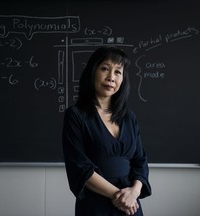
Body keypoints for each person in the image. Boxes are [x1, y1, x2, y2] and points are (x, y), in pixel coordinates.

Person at [62, 46, 151, 216]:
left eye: (118, 72)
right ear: (92, 72)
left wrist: (133, 193)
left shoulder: (129, 118)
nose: (111, 77)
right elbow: (80, 167)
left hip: (131, 204)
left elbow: (141, 161)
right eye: (105, 68)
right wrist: (119, 196)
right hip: (96, 203)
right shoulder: (76, 115)